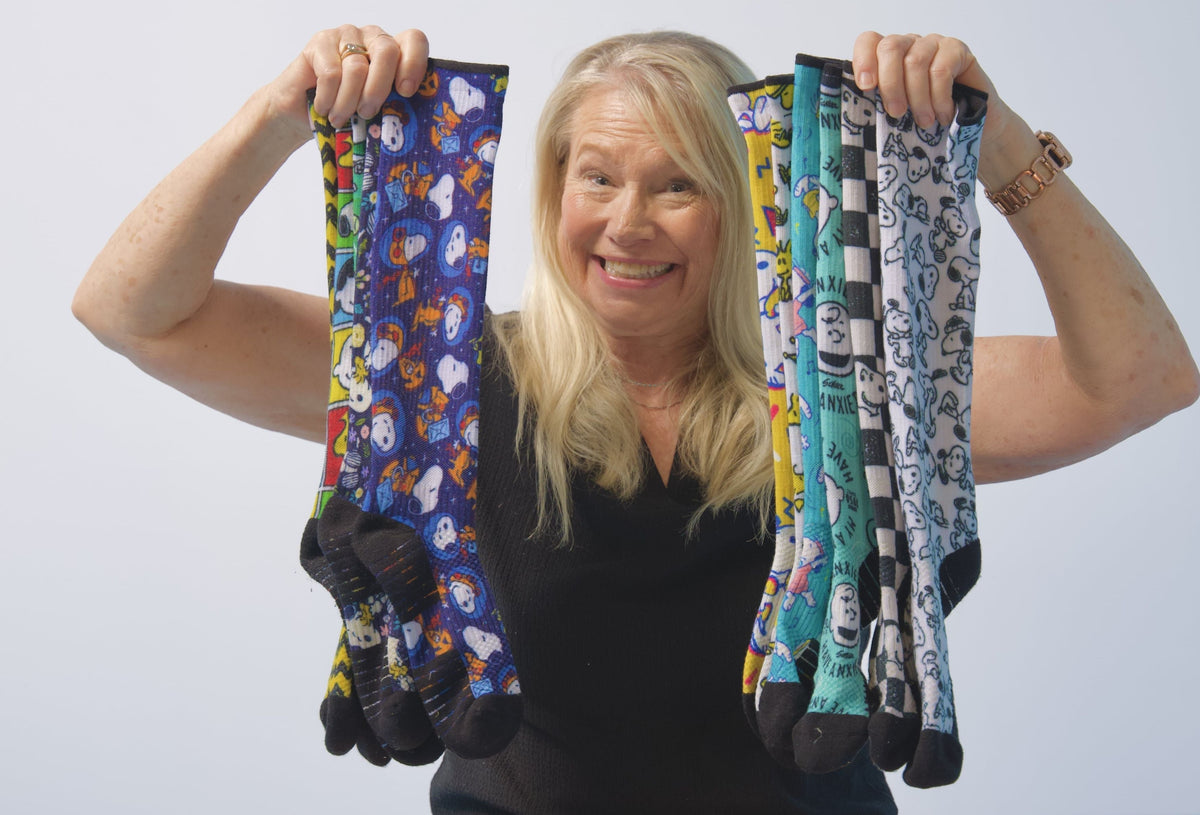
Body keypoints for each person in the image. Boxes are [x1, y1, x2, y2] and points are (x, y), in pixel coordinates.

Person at [71, 23, 1199, 814]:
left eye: (678, 183)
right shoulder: (433, 379)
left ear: (751, 198)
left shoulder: (850, 392)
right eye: (597, 177)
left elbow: (1141, 379)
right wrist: (283, 113)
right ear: (554, 191)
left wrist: (997, 142)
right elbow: (132, 311)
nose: (628, 223)